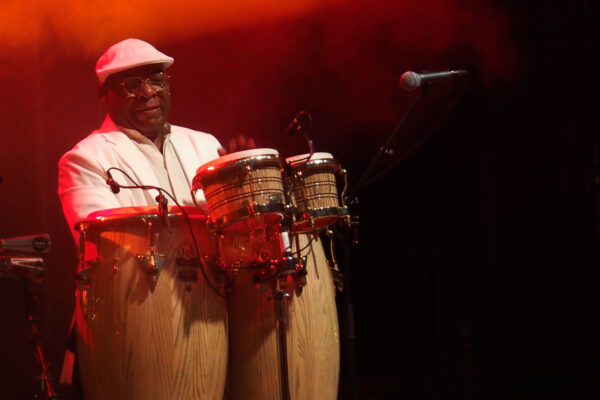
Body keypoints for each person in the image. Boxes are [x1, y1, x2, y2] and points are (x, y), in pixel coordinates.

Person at [58, 38, 253, 238]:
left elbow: (240, 234)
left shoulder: (206, 145)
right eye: (132, 85)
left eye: (157, 80)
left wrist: (244, 189)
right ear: (104, 94)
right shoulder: (84, 160)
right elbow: (104, 244)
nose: (149, 92)